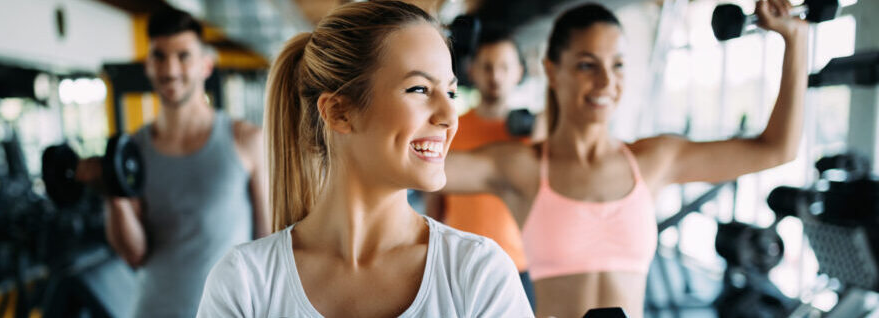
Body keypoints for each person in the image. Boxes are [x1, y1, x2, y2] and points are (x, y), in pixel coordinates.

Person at [442, 1, 808, 317]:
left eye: (617, 65)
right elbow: (407, 164)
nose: (606, 82)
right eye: (587, 65)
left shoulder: (655, 160)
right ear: (552, 70)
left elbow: (776, 149)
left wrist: (796, 41)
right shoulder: (520, 167)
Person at [196, 1, 533, 317]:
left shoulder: (478, 273)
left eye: (451, 92)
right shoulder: (243, 283)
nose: (449, 116)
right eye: (419, 89)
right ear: (339, 113)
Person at [103, 8, 270, 318]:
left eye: (183, 56)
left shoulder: (246, 140)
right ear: (148, 66)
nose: (170, 69)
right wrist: (115, 192)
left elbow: (268, 244)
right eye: (159, 56)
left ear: (206, 65)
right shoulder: (132, 151)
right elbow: (134, 255)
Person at [425, 31, 537, 309]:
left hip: (520, 267)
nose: (495, 76)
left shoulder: (534, 135)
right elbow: (435, 200)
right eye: (487, 66)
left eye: (504, 67)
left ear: (518, 72)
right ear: (471, 70)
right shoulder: (449, 128)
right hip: (460, 265)